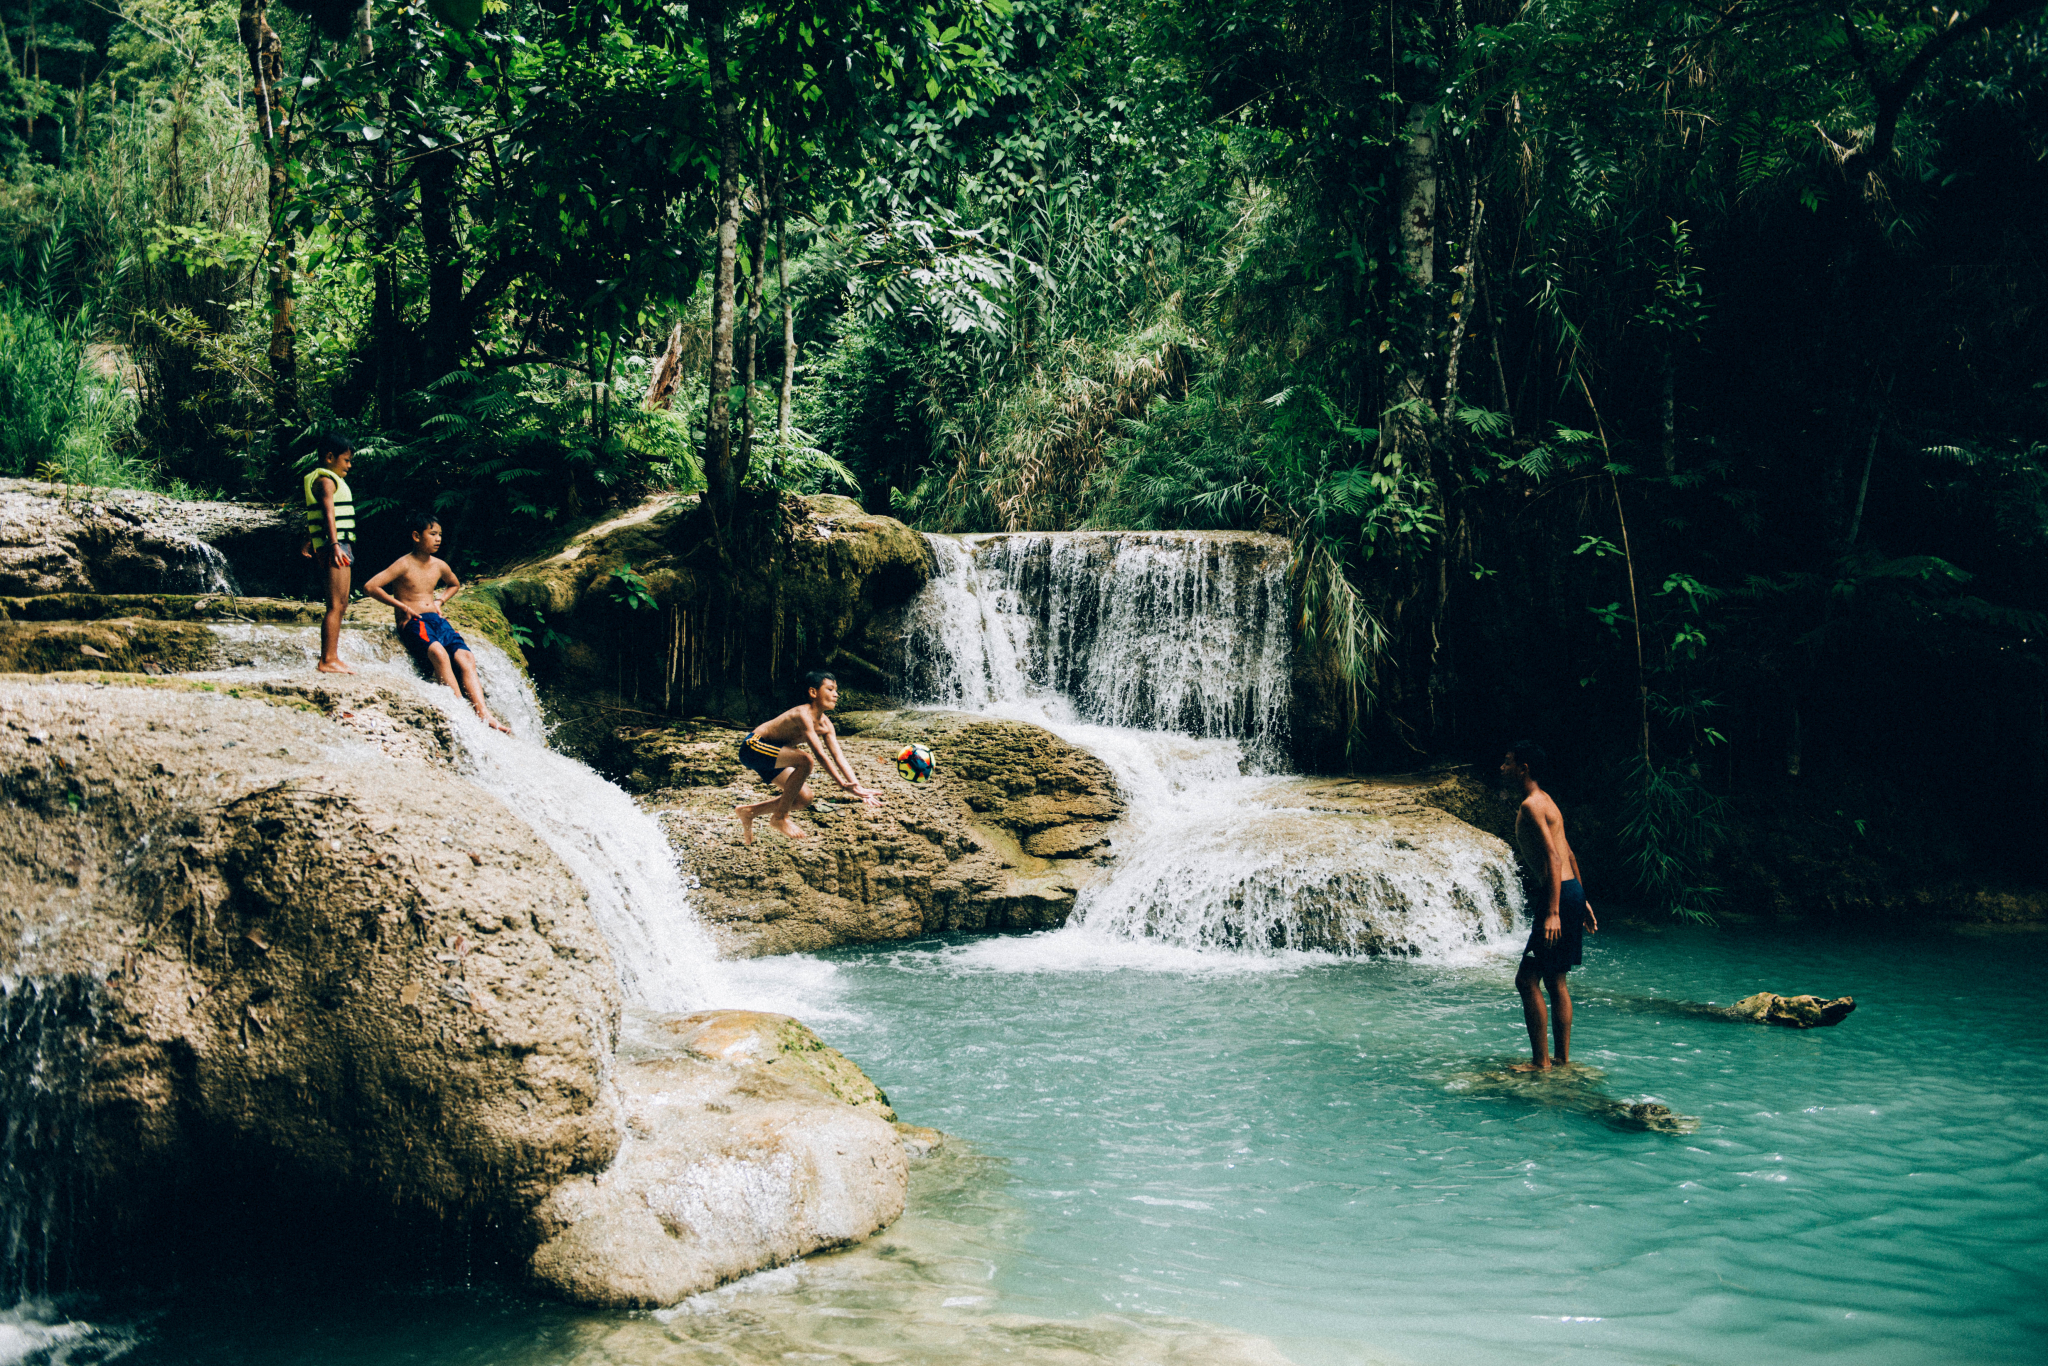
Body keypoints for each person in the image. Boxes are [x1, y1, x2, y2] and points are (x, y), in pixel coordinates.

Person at [360, 511, 509, 733]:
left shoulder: (439, 565)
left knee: (466, 656)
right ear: (416, 536)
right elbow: (371, 586)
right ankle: (460, 709)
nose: (438, 539)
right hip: (414, 621)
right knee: (439, 653)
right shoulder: (403, 564)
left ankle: (483, 713)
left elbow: (454, 584)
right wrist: (400, 606)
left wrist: (439, 601)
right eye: (432, 534)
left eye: (440, 534)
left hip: (437, 620)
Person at [1502, 741, 1598, 1071]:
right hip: (1571, 891)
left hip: (1556, 896)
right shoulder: (1548, 801)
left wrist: (1553, 911)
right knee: (1556, 980)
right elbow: (1569, 853)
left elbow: (1555, 858)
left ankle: (1540, 1063)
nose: (1504, 768)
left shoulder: (1531, 805)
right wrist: (1582, 900)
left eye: (1509, 762)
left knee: (1526, 981)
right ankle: (1562, 1060)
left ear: (1524, 768)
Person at [734, 670, 882, 844]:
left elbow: (839, 757)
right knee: (805, 760)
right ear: (813, 692)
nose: (836, 694)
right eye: (830, 689)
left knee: (804, 798)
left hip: (774, 755)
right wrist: (841, 784)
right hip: (753, 747)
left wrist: (858, 788)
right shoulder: (802, 715)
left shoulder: (827, 724)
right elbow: (819, 754)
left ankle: (749, 812)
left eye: (836, 690)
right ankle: (780, 817)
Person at [299, 432, 356, 674]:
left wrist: (309, 540)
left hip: (339, 544)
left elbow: (317, 514)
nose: (349, 465)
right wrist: (332, 544)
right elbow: (328, 514)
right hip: (337, 545)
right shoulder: (326, 481)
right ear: (330, 457)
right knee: (335, 604)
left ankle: (332, 656)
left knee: (341, 603)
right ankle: (327, 660)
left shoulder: (326, 479)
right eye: (346, 460)